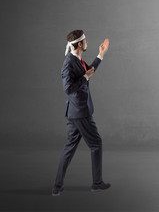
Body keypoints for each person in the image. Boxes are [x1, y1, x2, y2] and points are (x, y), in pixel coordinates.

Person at [52, 30, 111, 196]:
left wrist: (100, 55)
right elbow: (68, 88)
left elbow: (88, 72)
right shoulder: (68, 63)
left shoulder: (76, 59)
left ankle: (57, 187)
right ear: (79, 44)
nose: (87, 43)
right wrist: (84, 77)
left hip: (75, 112)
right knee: (96, 144)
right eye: (85, 41)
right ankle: (97, 183)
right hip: (80, 112)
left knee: (69, 148)